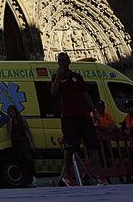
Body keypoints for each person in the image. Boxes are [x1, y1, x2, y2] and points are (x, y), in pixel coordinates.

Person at [51, 52, 96, 185]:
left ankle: (99, 175)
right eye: (59, 60)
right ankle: (66, 175)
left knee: (93, 146)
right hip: (68, 117)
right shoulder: (56, 77)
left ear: (69, 61)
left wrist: (94, 111)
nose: (61, 62)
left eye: (64, 60)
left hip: (84, 115)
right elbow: (53, 93)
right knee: (70, 147)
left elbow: (85, 94)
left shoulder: (77, 77)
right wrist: (58, 76)